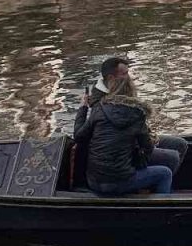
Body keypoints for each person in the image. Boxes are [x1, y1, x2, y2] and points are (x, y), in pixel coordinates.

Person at [73, 66, 173, 195]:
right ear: (132, 91)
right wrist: (139, 164)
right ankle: (161, 210)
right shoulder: (137, 114)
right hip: (119, 183)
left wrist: (83, 108)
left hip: (94, 181)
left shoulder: (99, 109)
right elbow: (147, 147)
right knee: (165, 173)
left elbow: (78, 136)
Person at [83, 57, 189, 177]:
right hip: (126, 152)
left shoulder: (121, 91)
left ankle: (154, 181)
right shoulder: (100, 104)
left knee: (180, 144)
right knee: (173, 158)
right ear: (111, 78)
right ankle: (152, 186)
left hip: (134, 141)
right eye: (125, 74)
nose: (129, 77)